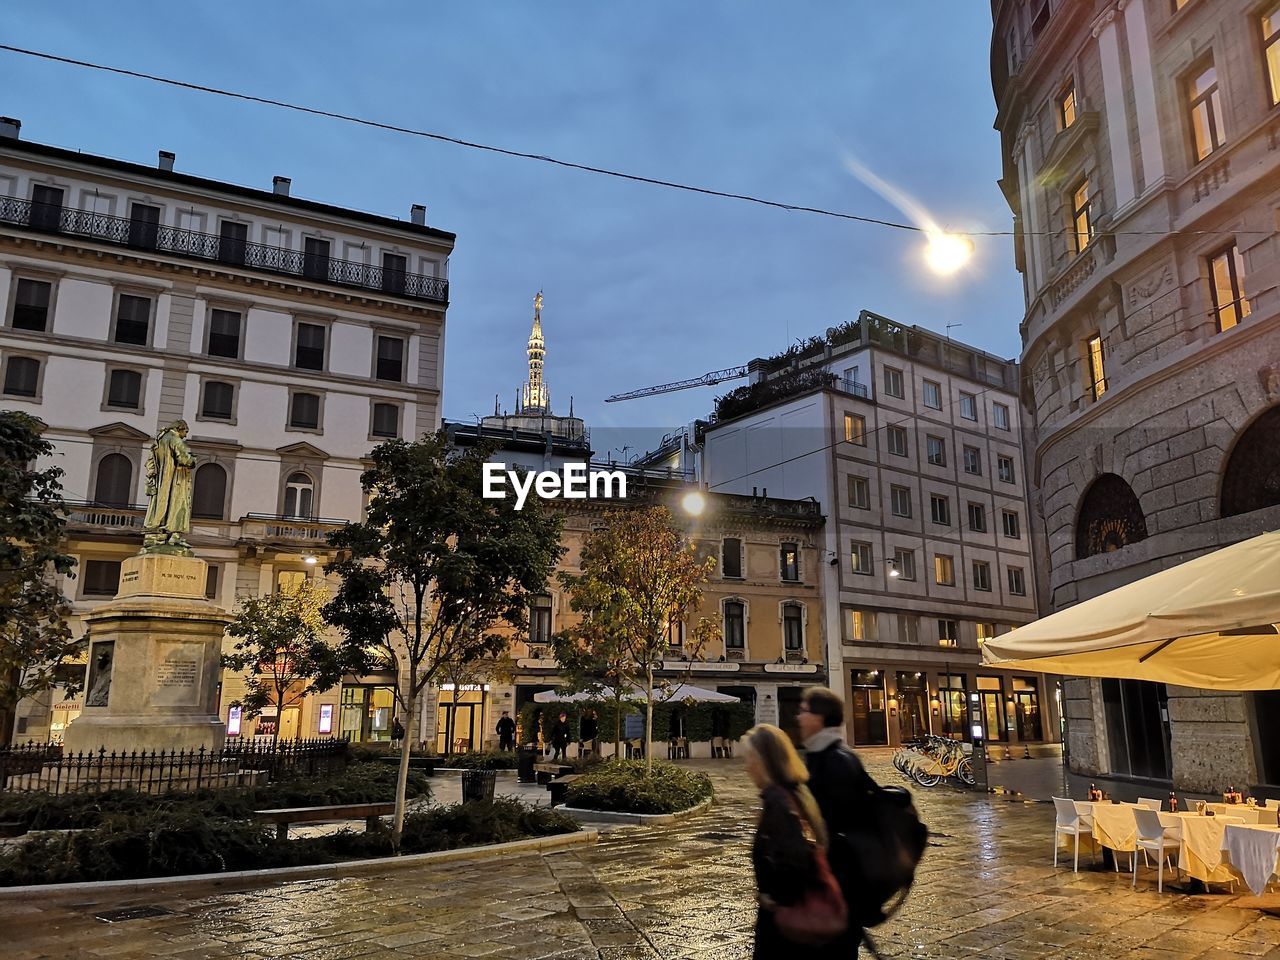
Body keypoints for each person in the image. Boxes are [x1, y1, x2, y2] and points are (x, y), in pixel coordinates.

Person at [797, 685, 878, 955]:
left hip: (839, 890)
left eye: (804, 711)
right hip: (839, 890)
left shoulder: (834, 761)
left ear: (820, 718)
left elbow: (839, 828)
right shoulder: (828, 756)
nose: (798, 717)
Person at [744, 723, 835, 959]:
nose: (747, 767)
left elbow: (794, 859)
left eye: (750, 759)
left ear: (764, 761)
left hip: (785, 930)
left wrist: (771, 898)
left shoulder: (777, 800)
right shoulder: (796, 792)